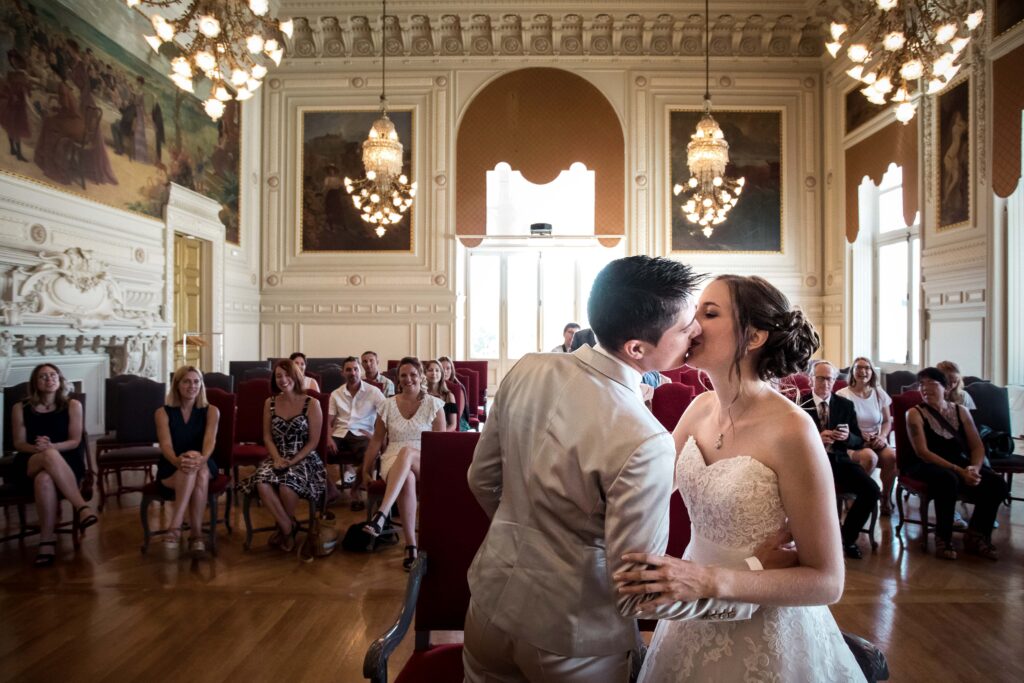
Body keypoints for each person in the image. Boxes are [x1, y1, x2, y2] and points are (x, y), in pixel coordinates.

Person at [464, 258, 790, 683]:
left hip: (488, 606)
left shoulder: (528, 368)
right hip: (574, 638)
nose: (696, 331)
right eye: (685, 326)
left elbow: (481, 479)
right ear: (637, 348)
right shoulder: (645, 440)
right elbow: (641, 592)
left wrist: (533, 542)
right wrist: (747, 591)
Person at [616, 275, 865, 682]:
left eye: (709, 314)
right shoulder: (698, 408)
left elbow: (827, 581)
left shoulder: (792, 431)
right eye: (695, 312)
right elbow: (648, 490)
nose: (692, 325)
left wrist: (711, 578)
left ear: (754, 338)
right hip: (691, 614)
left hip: (765, 633)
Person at [905, 367, 1007, 560]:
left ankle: (977, 535)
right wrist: (960, 471)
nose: (925, 388)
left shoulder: (962, 412)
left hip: (959, 463)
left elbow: (977, 447)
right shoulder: (915, 414)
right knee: (948, 479)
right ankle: (943, 538)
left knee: (997, 484)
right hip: (925, 464)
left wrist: (974, 468)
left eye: (931, 384)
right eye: (921, 384)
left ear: (946, 387)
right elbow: (923, 452)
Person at [361, 357, 445, 570]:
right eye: (404, 376)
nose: (409, 379)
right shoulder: (387, 405)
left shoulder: (435, 404)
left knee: (407, 452)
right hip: (392, 460)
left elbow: (441, 445)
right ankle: (411, 546)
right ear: (398, 379)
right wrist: (365, 469)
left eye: (413, 375)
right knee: (405, 478)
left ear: (421, 377)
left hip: (426, 459)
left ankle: (382, 513)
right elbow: (377, 440)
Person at [11, 363, 96, 567]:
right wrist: (40, 449)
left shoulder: (73, 405)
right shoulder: (20, 408)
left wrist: (52, 446)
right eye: (43, 376)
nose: (49, 379)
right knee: (46, 458)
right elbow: (19, 443)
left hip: (65, 460)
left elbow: (75, 441)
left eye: (53, 375)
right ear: (35, 383)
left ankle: (46, 542)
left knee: (45, 479)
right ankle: (82, 507)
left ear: (60, 380)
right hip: (30, 459)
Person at [237, 359, 327, 552]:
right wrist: (277, 458)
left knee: (287, 486)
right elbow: (267, 437)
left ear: (295, 376)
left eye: (287, 375)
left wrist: (292, 461)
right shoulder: (269, 402)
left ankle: (284, 528)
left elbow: (313, 442)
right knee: (262, 481)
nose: (283, 380)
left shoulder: (312, 403)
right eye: (278, 376)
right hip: (277, 455)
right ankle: (288, 527)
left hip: (305, 457)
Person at [801, 360, 880, 559]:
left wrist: (847, 437)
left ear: (835, 380)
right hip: (807, 462)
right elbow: (786, 439)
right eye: (820, 378)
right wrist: (816, 438)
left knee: (872, 490)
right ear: (811, 379)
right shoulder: (798, 403)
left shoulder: (845, 404)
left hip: (838, 460)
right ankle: (811, 542)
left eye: (829, 379)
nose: (825, 383)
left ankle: (846, 538)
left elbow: (858, 441)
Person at [154, 366, 219, 559]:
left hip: (204, 461)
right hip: (171, 465)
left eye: (196, 382)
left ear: (201, 385)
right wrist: (179, 462)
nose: (192, 386)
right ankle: (196, 535)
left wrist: (200, 459)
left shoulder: (212, 411)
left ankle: (175, 527)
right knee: (194, 469)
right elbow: (165, 446)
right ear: (177, 385)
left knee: (196, 464)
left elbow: (210, 442)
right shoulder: (162, 412)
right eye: (187, 381)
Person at [838, 356, 897, 515]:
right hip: (853, 442)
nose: (862, 371)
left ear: (872, 372)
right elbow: (840, 425)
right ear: (852, 372)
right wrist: (860, 435)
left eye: (867, 368)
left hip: (876, 440)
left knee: (892, 456)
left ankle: (885, 497)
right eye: (858, 368)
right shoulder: (843, 395)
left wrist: (883, 437)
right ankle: (855, 496)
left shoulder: (878, 393)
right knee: (870, 458)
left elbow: (886, 421)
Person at [325, 356, 385, 511]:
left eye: (355, 369)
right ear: (342, 373)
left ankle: (355, 490)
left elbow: (385, 415)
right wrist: (328, 438)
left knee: (370, 456)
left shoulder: (373, 391)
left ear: (360, 371)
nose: (353, 373)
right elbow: (329, 420)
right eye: (348, 370)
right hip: (339, 432)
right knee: (316, 454)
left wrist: (375, 436)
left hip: (361, 433)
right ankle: (330, 490)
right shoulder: (336, 394)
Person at [423, 359, 458, 431]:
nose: (434, 373)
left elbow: (453, 424)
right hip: (424, 433)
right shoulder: (421, 394)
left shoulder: (449, 396)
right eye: (430, 370)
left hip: (444, 434)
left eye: (437, 370)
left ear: (441, 374)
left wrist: (440, 435)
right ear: (425, 373)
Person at [438, 355, 471, 431]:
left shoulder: (458, 389)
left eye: (448, 368)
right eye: (442, 369)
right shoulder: (433, 386)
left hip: (458, 423)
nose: (445, 371)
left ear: (452, 370)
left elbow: (457, 416)